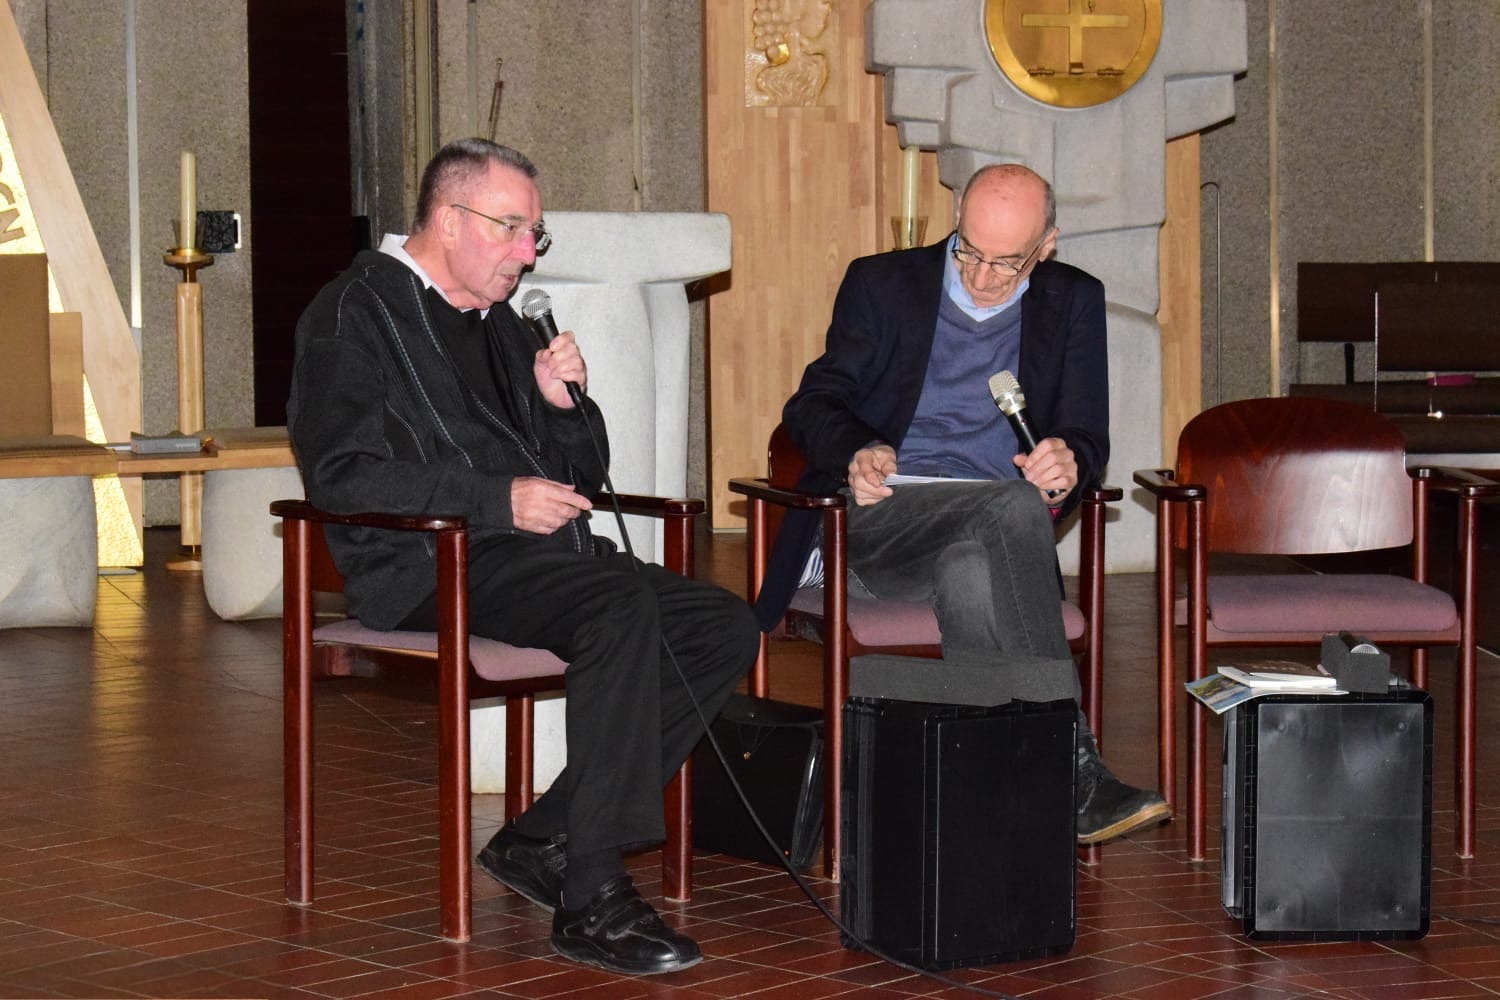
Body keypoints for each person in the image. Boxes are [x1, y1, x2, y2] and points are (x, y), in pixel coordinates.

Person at [287, 138, 757, 975]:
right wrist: (496, 499)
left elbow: (586, 474)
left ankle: (546, 836)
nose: (526, 252)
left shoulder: (500, 323)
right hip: (428, 562)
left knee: (721, 624)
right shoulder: (353, 311)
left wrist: (563, 407)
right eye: (510, 228)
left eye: (533, 234)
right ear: (447, 219)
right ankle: (593, 896)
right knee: (617, 606)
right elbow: (341, 472)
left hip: (531, 558)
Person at [761, 162, 1169, 845]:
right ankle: (1073, 765)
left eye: (1006, 263)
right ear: (955, 224)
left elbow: (1086, 436)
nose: (981, 278)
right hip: (883, 517)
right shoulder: (883, 284)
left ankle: (999, 791)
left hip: (990, 532)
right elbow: (813, 402)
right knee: (1010, 507)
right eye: (969, 252)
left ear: (1046, 246)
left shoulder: (1073, 299)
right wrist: (858, 449)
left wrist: (1069, 459)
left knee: (972, 574)